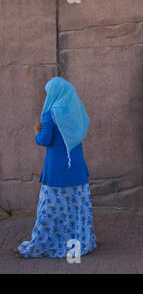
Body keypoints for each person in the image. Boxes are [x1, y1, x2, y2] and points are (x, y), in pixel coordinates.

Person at [17, 77, 96, 258]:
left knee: (50, 209)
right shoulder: (77, 112)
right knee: (77, 207)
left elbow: (45, 140)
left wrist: (37, 131)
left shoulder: (50, 114)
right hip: (76, 166)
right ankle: (80, 242)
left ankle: (44, 244)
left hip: (57, 169)